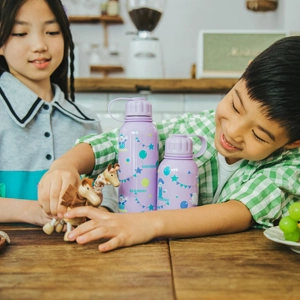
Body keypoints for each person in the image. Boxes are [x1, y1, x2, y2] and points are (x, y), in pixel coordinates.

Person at [38, 36, 300, 252]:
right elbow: (118, 142)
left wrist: (145, 225)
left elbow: (237, 212)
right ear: (244, 72)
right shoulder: (198, 128)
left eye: (259, 136)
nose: (232, 131)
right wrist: (66, 164)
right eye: (235, 105)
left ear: (293, 142)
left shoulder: (290, 166)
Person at [0, 0, 117, 226]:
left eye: (52, 31)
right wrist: (33, 211)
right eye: (20, 33)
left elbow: (108, 201)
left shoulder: (87, 123)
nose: (39, 45)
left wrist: (96, 210)